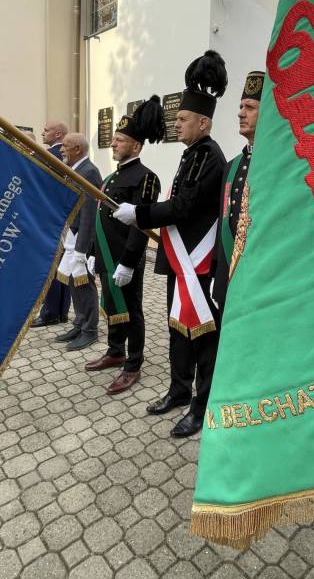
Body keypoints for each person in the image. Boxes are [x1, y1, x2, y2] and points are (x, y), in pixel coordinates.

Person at [112, 50, 228, 438]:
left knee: (203, 338)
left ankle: (201, 405)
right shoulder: (191, 154)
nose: (175, 124)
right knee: (178, 330)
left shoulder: (210, 156)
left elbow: (184, 206)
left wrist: (140, 213)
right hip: (181, 260)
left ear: (203, 122)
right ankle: (178, 391)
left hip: (199, 264)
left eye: (182, 119)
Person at [85, 97, 164, 394]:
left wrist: (129, 263)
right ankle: (115, 350)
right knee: (112, 305)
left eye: (120, 140)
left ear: (136, 146)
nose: (114, 144)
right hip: (106, 256)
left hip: (125, 259)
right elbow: (99, 219)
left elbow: (142, 224)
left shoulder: (146, 178)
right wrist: (92, 253)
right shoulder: (110, 177)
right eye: (114, 139)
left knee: (132, 310)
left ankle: (133, 364)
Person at [212, 70, 263, 312]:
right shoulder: (232, 166)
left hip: (258, 278)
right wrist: (217, 272)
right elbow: (223, 223)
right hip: (228, 275)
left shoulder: (277, 165)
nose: (240, 113)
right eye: (241, 106)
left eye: (250, 107)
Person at [53, 133, 102, 351]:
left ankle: (90, 330)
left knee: (84, 284)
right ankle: (80, 324)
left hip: (83, 239)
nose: (61, 149)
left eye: (65, 146)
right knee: (74, 282)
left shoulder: (88, 171)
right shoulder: (77, 169)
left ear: (78, 149)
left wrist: (82, 249)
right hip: (74, 236)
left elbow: (89, 213)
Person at [32, 120, 72, 327]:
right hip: (63, 218)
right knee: (62, 266)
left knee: (50, 267)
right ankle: (62, 311)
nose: (42, 133)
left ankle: (50, 313)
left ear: (57, 135)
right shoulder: (67, 157)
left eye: (46, 130)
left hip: (46, 219)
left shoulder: (47, 156)